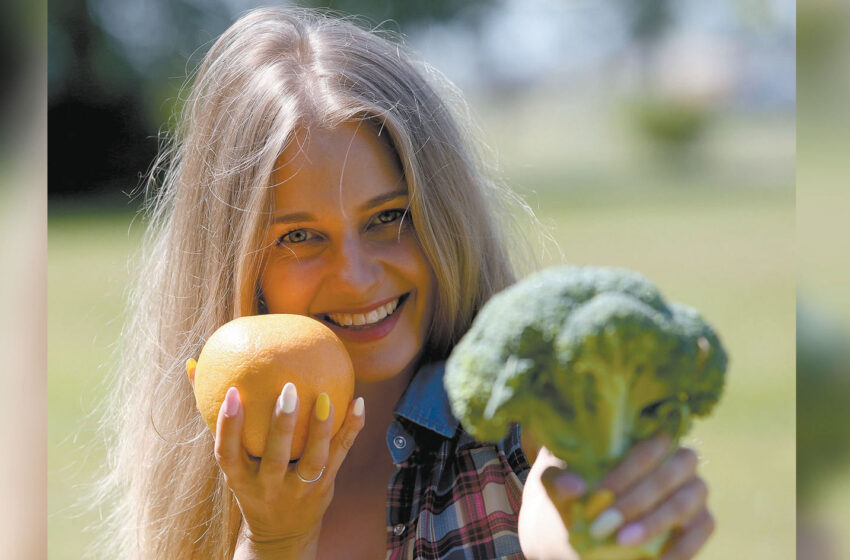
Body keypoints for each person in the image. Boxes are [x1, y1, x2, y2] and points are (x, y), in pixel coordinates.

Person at [92, 7, 714, 559]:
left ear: (444, 214)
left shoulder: (526, 422)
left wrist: (583, 540)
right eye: (300, 237)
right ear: (232, 262)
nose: (358, 277)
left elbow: (561, 512)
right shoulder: (211, 489)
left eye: (389, 217)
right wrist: (275, 544)